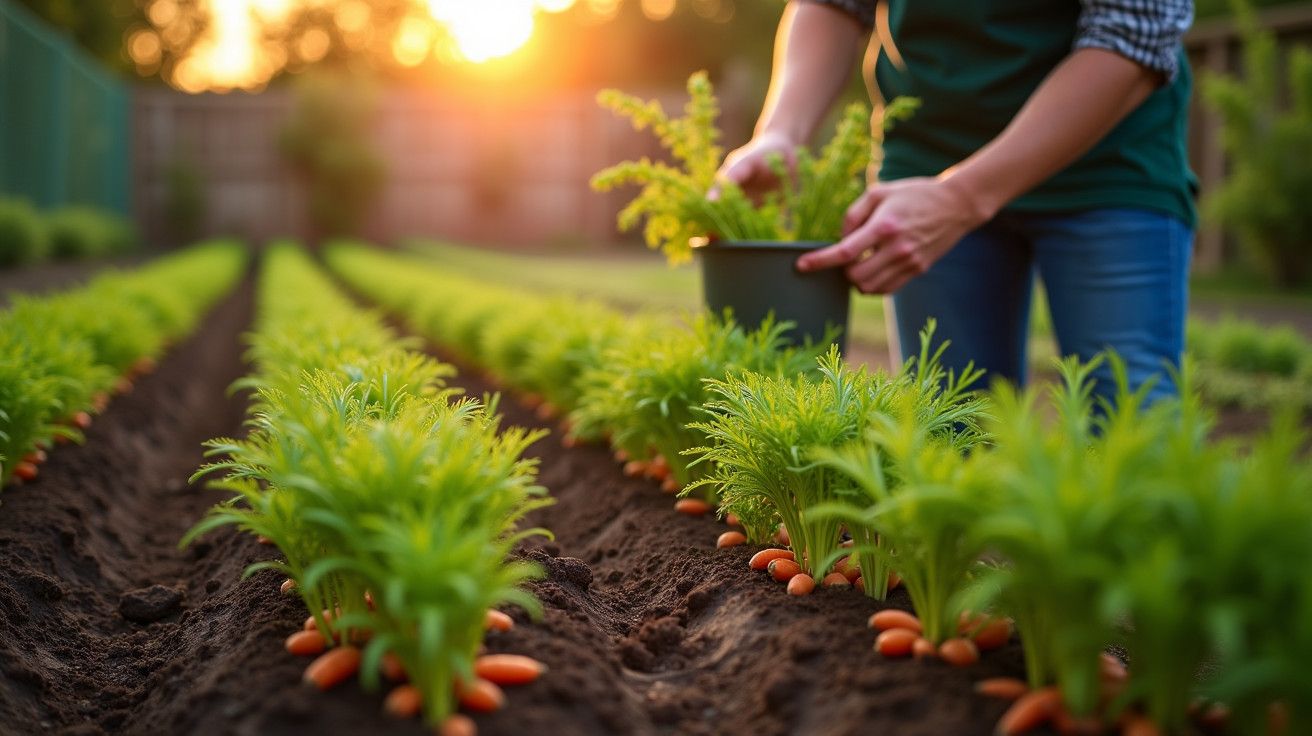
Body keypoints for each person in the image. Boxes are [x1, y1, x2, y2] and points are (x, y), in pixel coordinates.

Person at [716, 0, 1196, 404]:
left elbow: (1134, 36)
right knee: (949, 424)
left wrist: (961, 197)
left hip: (1106, 164)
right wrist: (781, 132)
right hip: (927, 161)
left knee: (1129, 422)